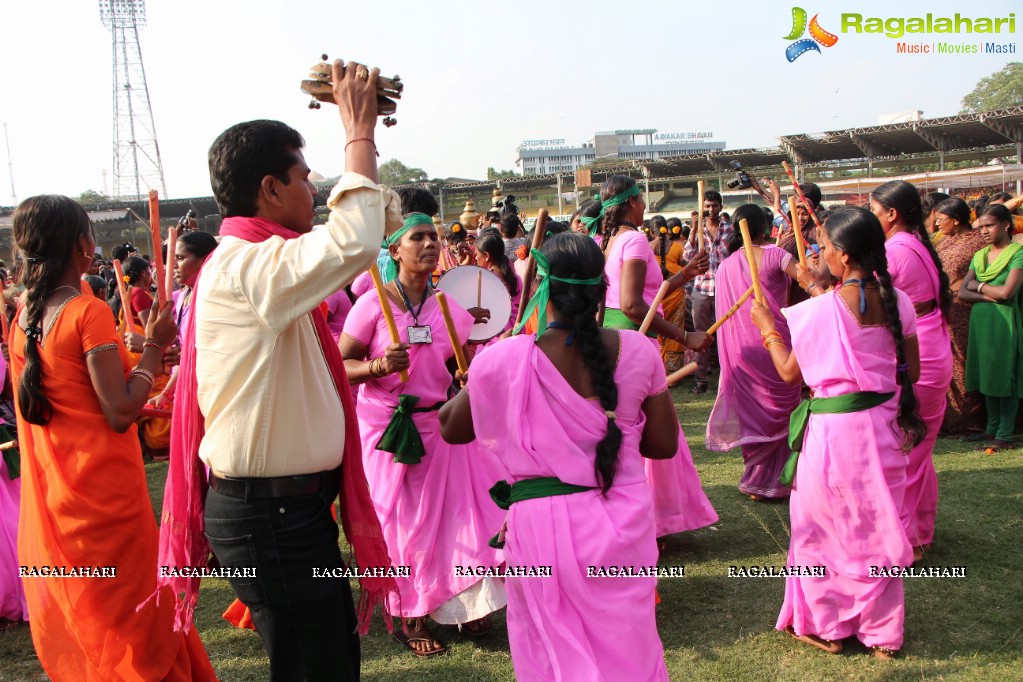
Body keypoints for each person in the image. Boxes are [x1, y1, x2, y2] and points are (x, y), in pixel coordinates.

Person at [165, 61, 400, 680]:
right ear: (269, 189)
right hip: (273, 516)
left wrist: (366, 147)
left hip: (283, 513)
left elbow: (374, 223)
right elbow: (355, 240)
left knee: (323, 664)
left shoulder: (257, 259)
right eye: (304, 178)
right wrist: (358, 128)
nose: (315, 190)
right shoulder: (249, 266)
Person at [438, 232, 673, 681]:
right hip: (623, 525)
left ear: (541, 287)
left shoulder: (503, 358)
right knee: (630, 648)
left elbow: (451, 428)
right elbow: (662, 446)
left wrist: (483, 374)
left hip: (541, 529)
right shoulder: (639, 349)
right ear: (601, 290)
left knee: (548, 654)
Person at [8, 194, 215, 679]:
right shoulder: (88, 310)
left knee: (98, 616)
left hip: (60, 496)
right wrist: (155, 349)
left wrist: (141, 363)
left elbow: (77, 394)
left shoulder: (22, 317)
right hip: (105, 498)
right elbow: (118, 410)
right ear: (83, 244)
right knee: (135, 618)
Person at [752, 205, 923, 660]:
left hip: (834, 436)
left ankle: (828, 625)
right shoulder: (899, 301)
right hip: (884, 428)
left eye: (824, 247)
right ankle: (881, 631)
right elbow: (915, 370)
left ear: (844, 256)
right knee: (875, 524)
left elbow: (790, 373)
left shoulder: (817, 310)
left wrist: (769, 328)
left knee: (821, 530)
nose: (819, 254)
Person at [339, 213, 508, 657]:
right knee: (401, 524)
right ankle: (408, 613)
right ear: (394, 251)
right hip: (386, 432)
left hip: (440, 427)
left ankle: (462, 604)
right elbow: (339, 366)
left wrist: (470, 374)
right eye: (418, 237)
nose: (430, 243)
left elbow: (459, 367)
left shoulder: (450, 309)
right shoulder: (371, 304)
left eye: (434, 236)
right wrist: (376, 366)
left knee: (460, 515)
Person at [597, 174, 718, 537]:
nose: (646, 205)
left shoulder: (611, 239)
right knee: (650, 430)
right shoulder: (633, 238)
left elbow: (643, 292)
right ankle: (651, 520)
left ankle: (642, 518)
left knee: (628, 426)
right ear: (632, 203)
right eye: (641, 199)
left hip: (615, 341)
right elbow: (634, 305)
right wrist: (686, 336)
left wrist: (683, 275)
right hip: (635, 342)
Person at [870, 180, 953, 558]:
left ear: (892, 214)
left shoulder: (894, 250)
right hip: (932, 346)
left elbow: (867, 304)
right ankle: (917, 532)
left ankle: (906, 542)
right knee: (917, 451)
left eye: (874, 211)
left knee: (906, 453)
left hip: (920, 355)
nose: (872, 218)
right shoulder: (915, 243)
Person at [707, 205, 804, 501]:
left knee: (757, 411)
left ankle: (759, 480)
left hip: (741, 354)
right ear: (766, 229)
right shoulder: (776, 255)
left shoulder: (724, 267)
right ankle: (776, 481)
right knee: (783, 409)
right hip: (772, 345)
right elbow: (808, 279)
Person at [959, 204, 1023, 452]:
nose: (984, 231)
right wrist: (989, 294)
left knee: (1004, 375)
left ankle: (1005, 434)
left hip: (1004, 322)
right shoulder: (980, 255)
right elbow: (964, 291)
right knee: (986, 372)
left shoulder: (1017, 253)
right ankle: (991, 428)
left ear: (1006, 225)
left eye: (989, 225)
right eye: (981, 226)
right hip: (982, 323)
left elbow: (1008, 292)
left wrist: (980, 286)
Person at [933, 197, 986, 435]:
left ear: (956, 220)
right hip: (943, 307)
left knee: (963, 363)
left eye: (941, 220)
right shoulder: (945, 241)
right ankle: (949, 418)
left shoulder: (976, 242)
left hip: (964, 308)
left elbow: (973, 275)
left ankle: (969, 419)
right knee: (948, 362)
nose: (937, 224)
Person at [682, 188, 731, 394]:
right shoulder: (698, 230)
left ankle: (728, 380)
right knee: (700, 336)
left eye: (714, 206)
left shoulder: (730, 230)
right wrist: (693, 230)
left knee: (726, 336)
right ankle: (701, 379)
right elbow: (687, 256)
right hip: (701, 289)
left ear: (721, 207)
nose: (711, 210)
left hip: (724, 290)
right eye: (707, 207)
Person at [650, 215, 689, 371]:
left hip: (656, 298)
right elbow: (684, 268)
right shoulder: (677, 247)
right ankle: (673, 370)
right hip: (676, 295)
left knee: (657, 330)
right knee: (675, 330)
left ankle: (658, 368)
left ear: (652, 232)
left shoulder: (646, 248)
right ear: (667, 229)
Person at [474, 227, 522, 344]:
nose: (475, 258)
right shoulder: (515, 277)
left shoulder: (486, 280)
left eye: (476, 254)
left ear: (486, 256)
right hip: (517, 327)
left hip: (495, 334)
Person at [122, 255, 154, 327]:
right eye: (149, 270)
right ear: (143, 273)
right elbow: (148, 324)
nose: (151, 273)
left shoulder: (131, 291)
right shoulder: (138, 292)